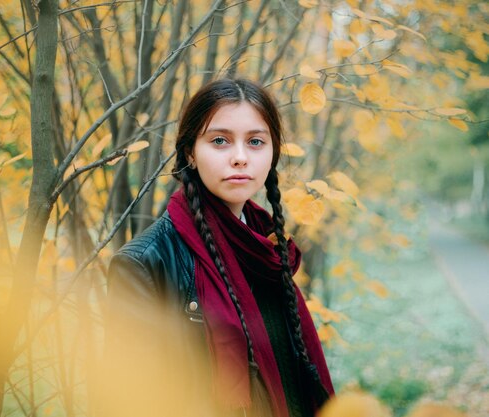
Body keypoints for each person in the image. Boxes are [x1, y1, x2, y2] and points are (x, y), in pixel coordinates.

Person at [99, 78, 334, 417]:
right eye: (220, 141)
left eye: (255, 141)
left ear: (272, 153)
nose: (240, 158)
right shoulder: (145, 264)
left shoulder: (267, 250)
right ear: (191, 153)